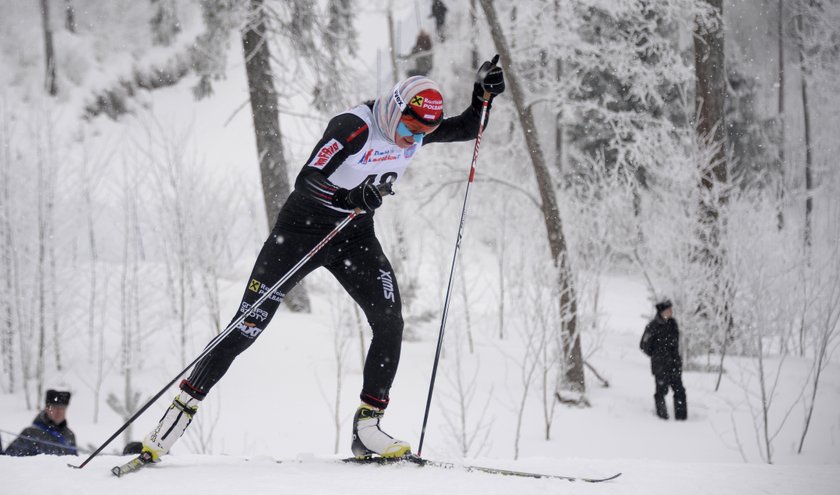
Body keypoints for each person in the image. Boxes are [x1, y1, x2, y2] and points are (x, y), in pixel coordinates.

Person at [137, 60, 506, 464]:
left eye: (423, 134)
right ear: (394, 109)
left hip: (354, 236)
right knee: (247, 325)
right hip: (300, 232)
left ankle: (368, 427)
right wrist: (346, 198)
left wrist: (481, 96)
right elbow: (307, 179)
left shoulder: (416, 131)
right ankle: (174, 420)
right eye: (409, 129)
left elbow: (468, 127)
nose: (411, 141)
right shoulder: (355, 127)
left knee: (389, 320)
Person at [640, 300, 687, 420]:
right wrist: (656, 356)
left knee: (679, 391)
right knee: (661, 391)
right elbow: (644, 345)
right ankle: (662, 417)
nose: (671, 312)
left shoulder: (673, 324)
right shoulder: (652, 326)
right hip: (660, 366)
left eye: (671, 310)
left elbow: (676, 344)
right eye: (668, 310)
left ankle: (681, 418)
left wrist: (676, 359)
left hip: (674, 364)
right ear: (662, 312)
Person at [4, 389, 78, 456]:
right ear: (46, 408)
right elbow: (11, 460)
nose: (59, 412)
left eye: (62, 408)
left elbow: (74, 463)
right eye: (55, 407)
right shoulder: (30, 433)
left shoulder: (70, 435)